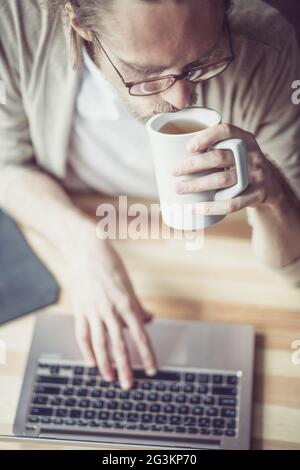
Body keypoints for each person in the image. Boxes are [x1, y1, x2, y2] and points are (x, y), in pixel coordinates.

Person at [0, 0, 299, 389]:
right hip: (73, 233)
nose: (181, 100)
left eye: (200, 62)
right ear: (78, 23)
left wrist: (274, 193)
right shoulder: (15, 20)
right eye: (145, 73)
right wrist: (82, 243)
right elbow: (8, 165)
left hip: (229, 258)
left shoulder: (265, 45)